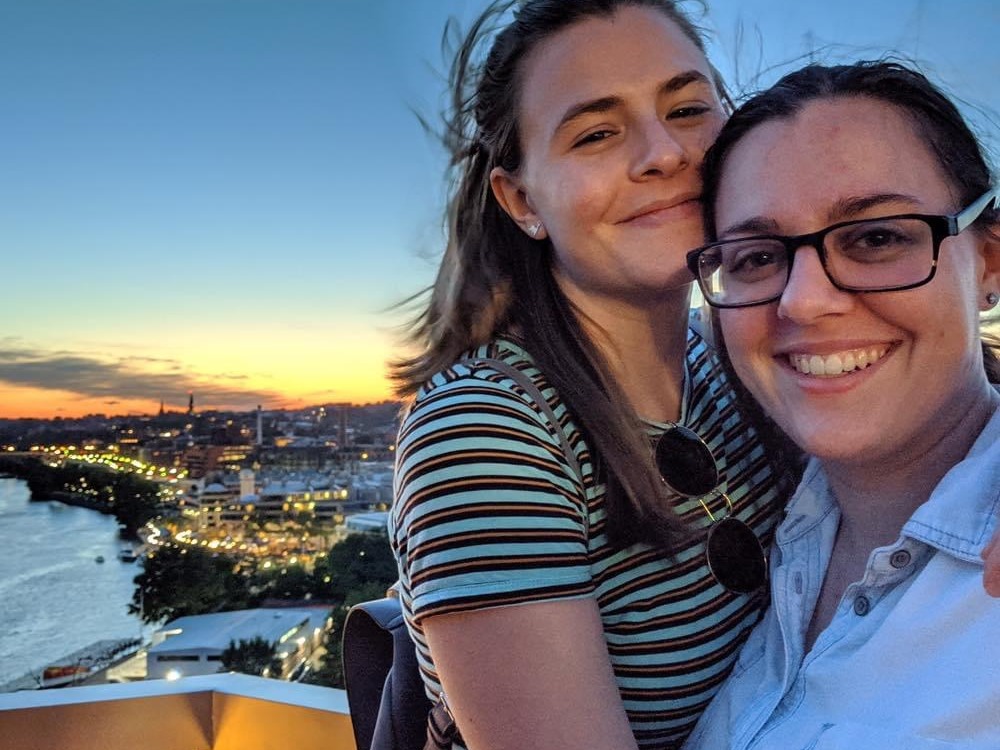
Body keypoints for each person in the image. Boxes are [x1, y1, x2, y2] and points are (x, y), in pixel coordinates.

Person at [388, 1, 792, 748]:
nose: (663, 153)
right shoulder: (489, 434)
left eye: (688, 109)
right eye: (597, 133)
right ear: (522, 200)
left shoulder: (733, 355)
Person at [683, 60, 1000, 748]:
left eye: (876, 237)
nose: (803, 301)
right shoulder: (762, 512)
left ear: (989, 262)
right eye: (756, 257)